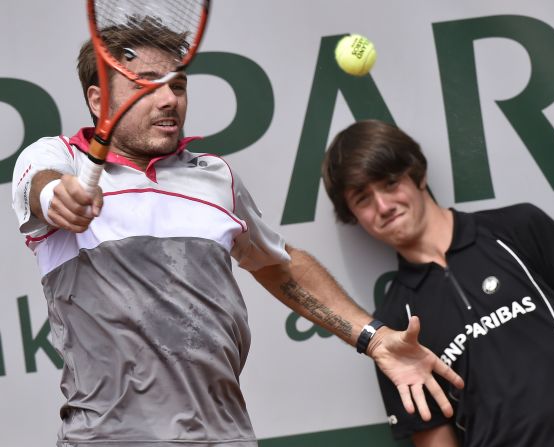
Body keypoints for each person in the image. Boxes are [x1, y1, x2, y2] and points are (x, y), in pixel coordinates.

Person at [10, 22, 463, 447]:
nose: (169, 99)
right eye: (146, 84)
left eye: (178, 85)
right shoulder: (60, 158)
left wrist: (375, 337)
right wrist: (59, 198)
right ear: (98, 100)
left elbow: (276, 264)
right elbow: (44, 187)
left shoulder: (215, 178)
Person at [321, 119, 554, 447]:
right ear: (353, 217)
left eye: (389, 183)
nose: (383, 206)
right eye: (363, 199)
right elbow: (435, 439)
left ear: (418, 174)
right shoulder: (392, 325)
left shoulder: (519, 229)